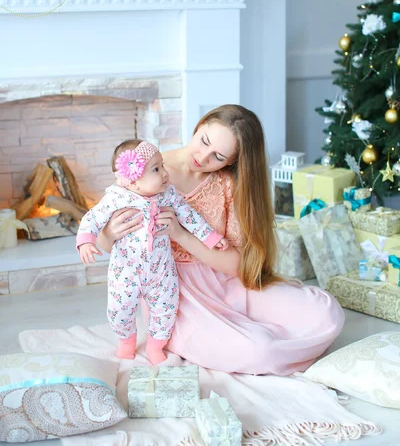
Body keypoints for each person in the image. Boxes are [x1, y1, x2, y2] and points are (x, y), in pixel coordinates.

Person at [97, 105, 345, 375]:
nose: (203, 158)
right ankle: (264, 341)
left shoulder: (227, 183)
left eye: (218, 156)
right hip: (174, 293)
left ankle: (263, 333)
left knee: (326, 313)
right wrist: (108, 234)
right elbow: (106, 243)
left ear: (232, 162)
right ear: (199, 125)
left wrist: (181, 234)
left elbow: (237, 265)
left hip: (228, 284)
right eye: (204, 141)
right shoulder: (145, 171)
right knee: (260, 351)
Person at [77, 139, 227, 364]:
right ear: (133, 180)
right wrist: (86, 241)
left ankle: (156, 346)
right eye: (156, 169)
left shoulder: (168, 195)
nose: (165, 173)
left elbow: (190, 217)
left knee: (166, 309)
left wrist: (211, 238)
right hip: (125, 272)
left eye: (162, 166)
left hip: (161, 271)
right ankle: (126, 341)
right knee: (119, 310)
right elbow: (92, 218)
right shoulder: (117, 198)